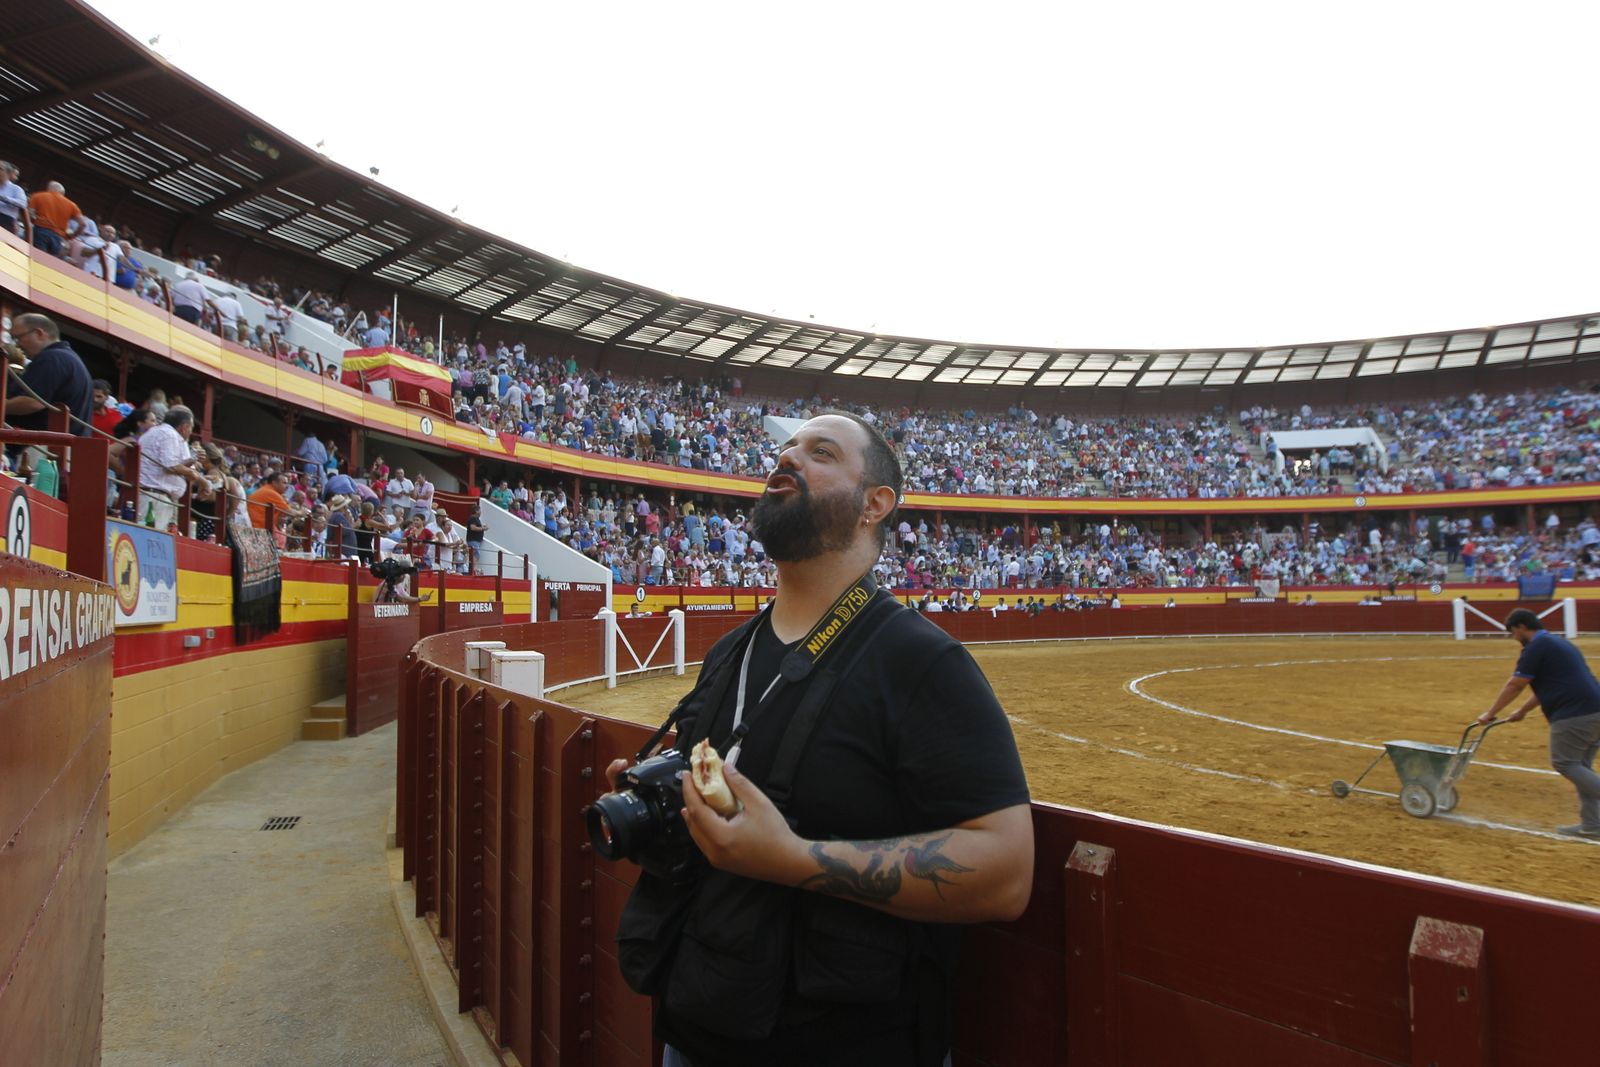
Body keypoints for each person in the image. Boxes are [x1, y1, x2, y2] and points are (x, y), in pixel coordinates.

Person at [607, 412, 1032, 1067]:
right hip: (697, 1029)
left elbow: (1006, 871)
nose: (788, 458)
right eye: (784, 449)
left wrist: (794, 857)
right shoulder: (729, 653)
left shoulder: (920, 661)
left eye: (821, 452)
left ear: (874, 504)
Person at [1476, 608, 1600, 839]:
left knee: (1565, 763)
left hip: (1575, 714)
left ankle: (1592, 823)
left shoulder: (1536, 648)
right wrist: (1522, 711)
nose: (1514, 638)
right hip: (1594, 709)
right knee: (1581, 767)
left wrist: (1490, 713)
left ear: (1521, 627)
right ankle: (1592, 824)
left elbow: (1516, 684)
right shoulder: (1558, 643)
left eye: (1513, 632)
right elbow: (1548, 687)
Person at [4, 313, 93, 436]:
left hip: (42, 447)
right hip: (62, 446)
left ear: (39, 333)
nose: (17, 344)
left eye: (18, 338)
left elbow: (32, 402)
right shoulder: (68, 358)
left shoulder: (51, 358)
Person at [137, 406, 212, 529]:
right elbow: (170, 467)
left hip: (154, 495)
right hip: (154, 497)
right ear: (184, 427)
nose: (191, 432)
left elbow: (172, 465)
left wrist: (197, 472)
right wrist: (197, 477)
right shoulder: (170, 434)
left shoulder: (159, 432)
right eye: (191, 427)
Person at [26, 181, 81, 257]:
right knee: (48, 262)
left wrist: (35, 221)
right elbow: (83, 224)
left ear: (49, 189)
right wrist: (72, 236)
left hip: (40, 231)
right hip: (58, 237)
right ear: (62, 193)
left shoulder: (38, 196)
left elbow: (29, 214)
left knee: (36, 258)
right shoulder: (72, 205)